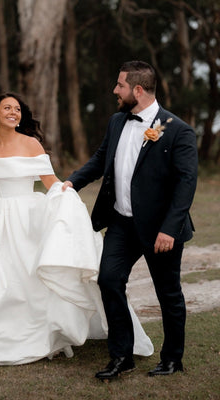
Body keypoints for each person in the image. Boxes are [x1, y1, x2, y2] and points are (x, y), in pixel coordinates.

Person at [0, 92, 154, 370]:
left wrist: (67, 195)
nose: (13, 112)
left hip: (27, 218)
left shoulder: (31, 144)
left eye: (17, 109)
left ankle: (36, 337)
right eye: (7, 108)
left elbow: (50, 180)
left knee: (27, 282)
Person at [62, 61, 198, 380]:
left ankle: (172, 359)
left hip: (160, 229)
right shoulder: (116, 121)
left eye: (120, 86)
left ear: (137, 90)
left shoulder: (177, 129)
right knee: (108, 280)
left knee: (168, 293)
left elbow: (186, 183)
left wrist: (169, 229)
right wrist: (72, 182)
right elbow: (100, 159)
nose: (115, 91)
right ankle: (122, 355)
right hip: (121, 224)